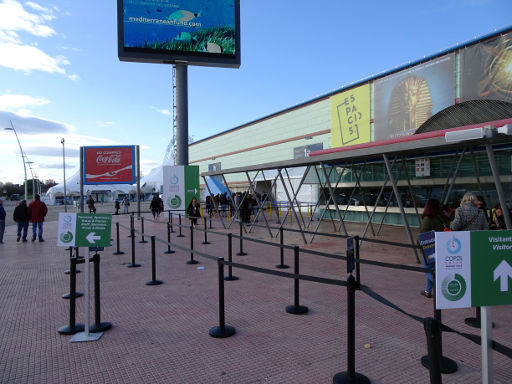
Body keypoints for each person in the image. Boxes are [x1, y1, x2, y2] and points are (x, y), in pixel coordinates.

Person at [418, 199, 445, 298]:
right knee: (432, 268)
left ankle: (441, 286)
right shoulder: (440, 217)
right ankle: (427, 291)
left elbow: (422, 234)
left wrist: (419, 245)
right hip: (440, 247)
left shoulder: (428, 219)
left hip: (429, 248)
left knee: (427, 269)